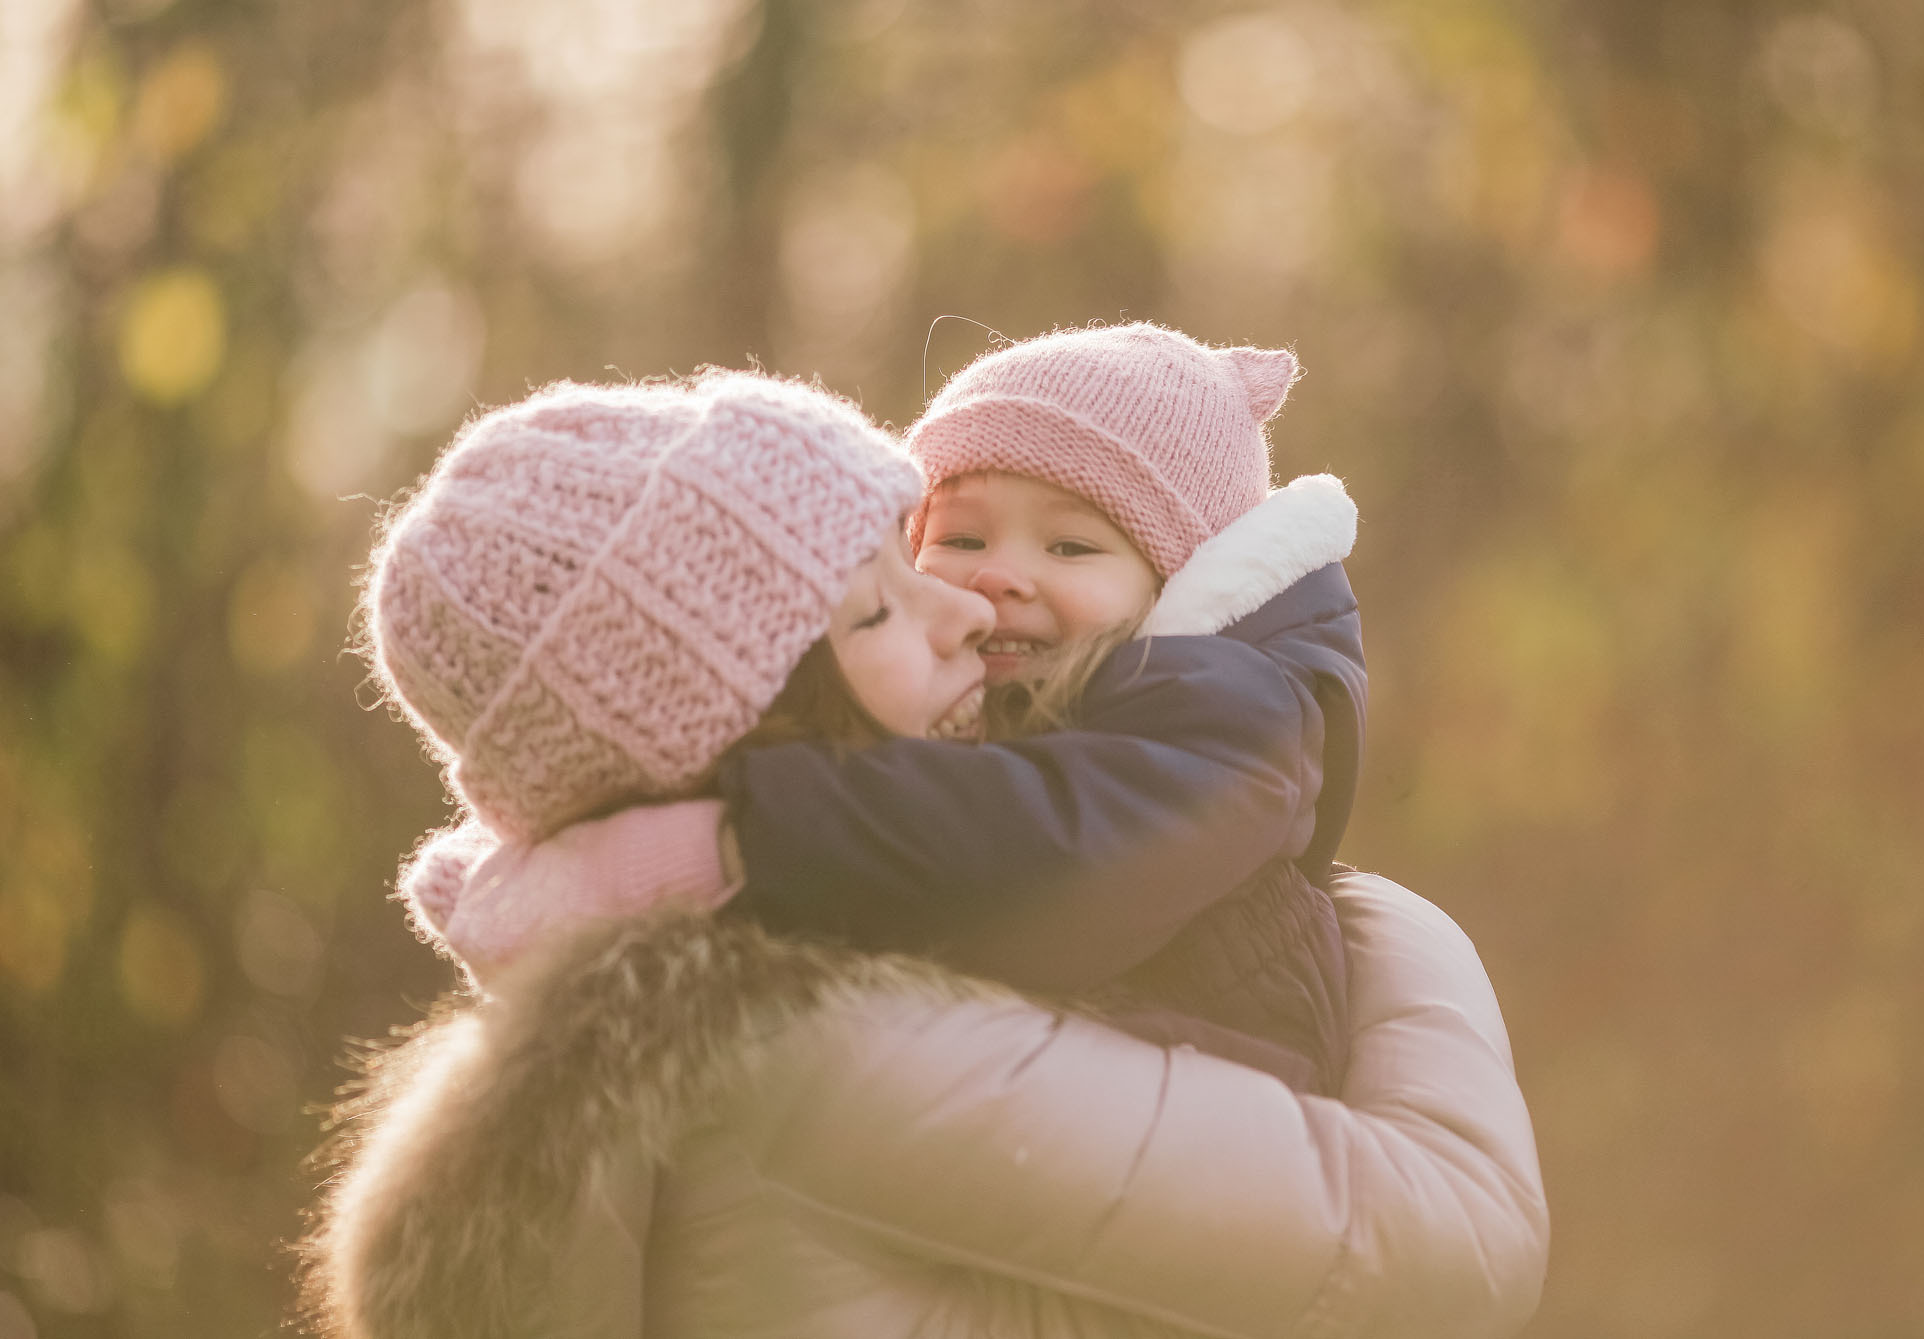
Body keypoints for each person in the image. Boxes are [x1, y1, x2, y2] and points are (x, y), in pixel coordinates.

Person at [302, 367, 1546, 1338]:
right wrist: (1400, 931)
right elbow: (1448, 1247)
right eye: (878, 607)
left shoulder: (742, 986)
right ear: (755, 727)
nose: (969, 606)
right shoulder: (821, 1048)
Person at [408, 323, 1365, 1091]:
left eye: (1071, 548)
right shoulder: (1032, 718)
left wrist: (723, 843)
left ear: (1178, 578)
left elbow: (1045, 849)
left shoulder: (1230, 708)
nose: (987, 587)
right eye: (955, 541)